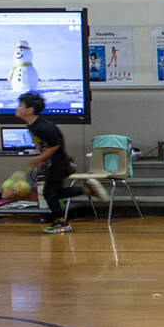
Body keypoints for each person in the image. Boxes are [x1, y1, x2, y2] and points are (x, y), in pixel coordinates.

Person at [18, 92, 101, 234]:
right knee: (54, 193)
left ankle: (61, 222)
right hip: (53, 164)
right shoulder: (33, 125)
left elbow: (55, 145)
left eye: (21, 105)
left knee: (49, 193)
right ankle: (86, 190)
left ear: (29, 110)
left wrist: (40, 158)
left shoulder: (43, 127)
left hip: (58, 164)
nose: (17, 108)